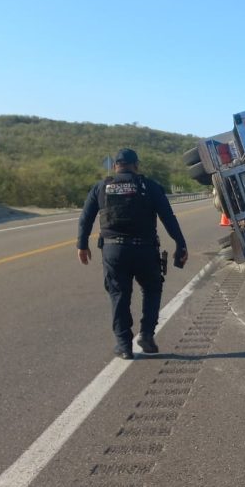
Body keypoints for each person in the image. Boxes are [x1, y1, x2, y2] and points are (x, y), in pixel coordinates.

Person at [77, 148, 189, 359]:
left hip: (114, 250)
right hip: (145, 249)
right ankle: (146, 334)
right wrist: (180, 244)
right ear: (136, 165)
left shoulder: (101, 187)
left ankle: (123, 345)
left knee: (119, 294)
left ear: (114, 166)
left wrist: (82, 245)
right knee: (152, 289)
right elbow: (168, 217)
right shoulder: (150, 186)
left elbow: (85, 218)